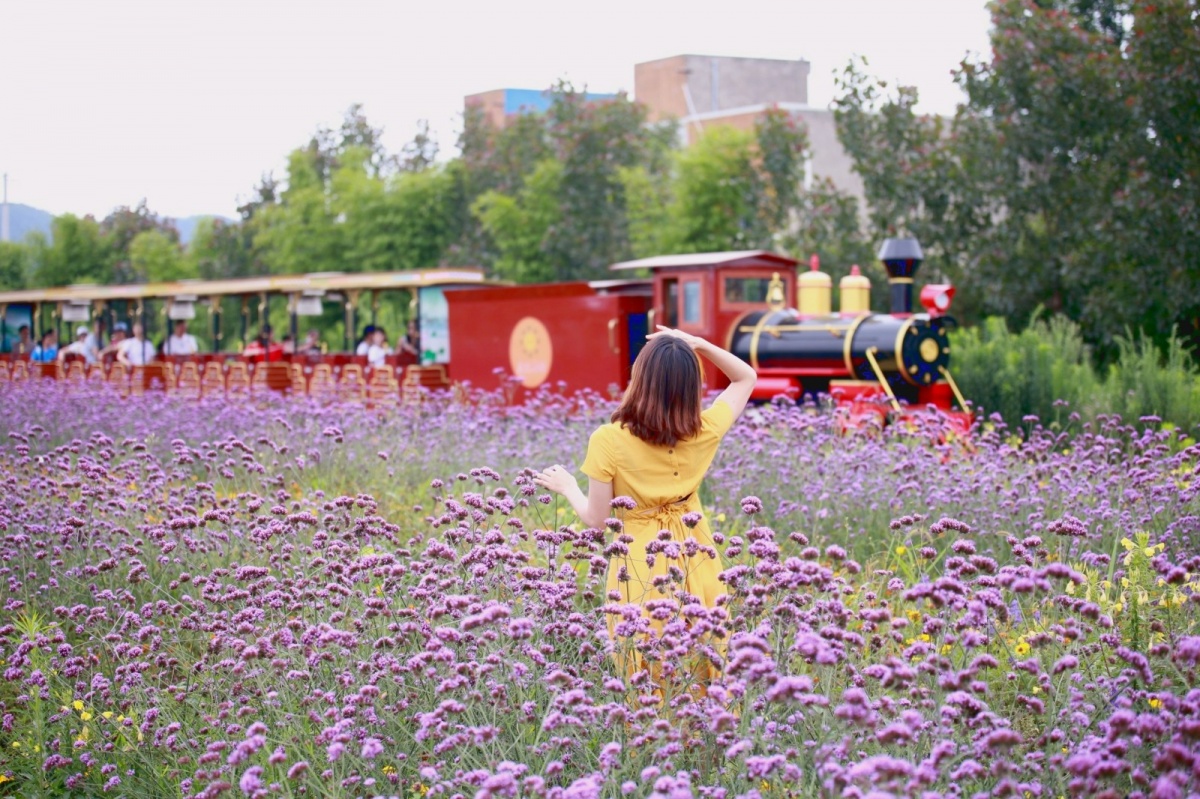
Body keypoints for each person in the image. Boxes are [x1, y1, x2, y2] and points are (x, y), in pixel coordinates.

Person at [533, 326, 756, 685]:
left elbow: (596, 521)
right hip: (698, 560)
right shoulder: (705, 430)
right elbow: (745, 377)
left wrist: (568, 487)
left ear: (640, 379)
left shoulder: (608, 439)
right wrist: (698, 344)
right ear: (691, 389)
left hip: (639, 569)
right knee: (706, 666)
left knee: (648, 678)